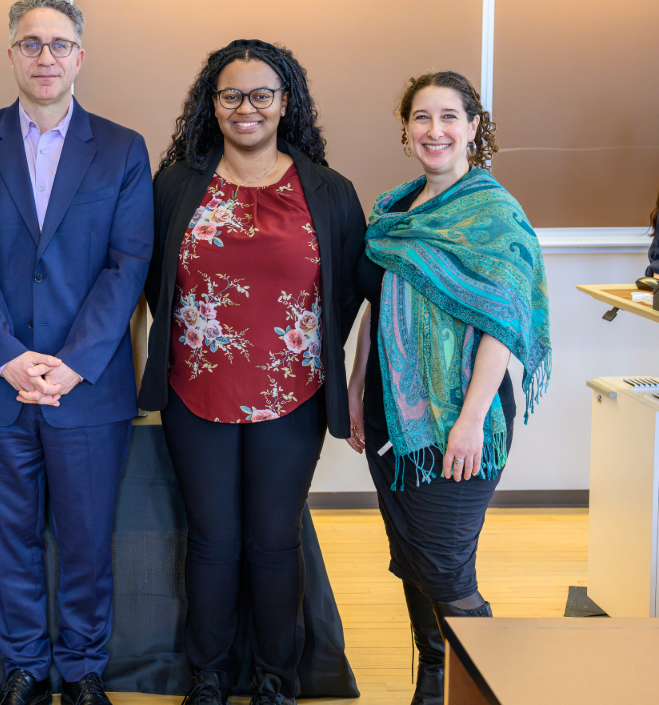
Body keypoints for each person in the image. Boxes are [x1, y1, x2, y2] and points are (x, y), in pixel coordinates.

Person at [138, 40, 366, 705]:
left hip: (293, 394)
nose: (246, 107)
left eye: (261, 94)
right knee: (212, 539)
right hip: (194, 389)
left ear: (285, 102)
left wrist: (315, 357)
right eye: (230, 95)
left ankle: (275, 679)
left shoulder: (327, 190)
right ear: (212, 105)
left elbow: (349, 292)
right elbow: (152, 282)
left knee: (273, 540)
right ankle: (206, 676)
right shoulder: (177, 184)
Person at [0, 0, 153, 705]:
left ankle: (84, 669)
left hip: (87, 385)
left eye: (59, 45)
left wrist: (72, 362)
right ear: (11, 55)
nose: (45, 57)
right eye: (31, 44)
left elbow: (128, 265)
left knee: (88, 541)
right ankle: (26, 668)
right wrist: (8, 355)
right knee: (11, 541)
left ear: (80, 57)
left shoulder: (122, 148)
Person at [345, 71, 551, 705]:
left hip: (463, 415)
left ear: (473, 126)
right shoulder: (390, 213)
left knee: (445, 564)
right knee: (412, 554)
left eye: (449, 117)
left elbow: (503, 322)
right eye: (422, 118)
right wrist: (355, 388)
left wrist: (468, 419)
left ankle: (482, 686)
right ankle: (434, 677)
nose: (435, 130)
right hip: (391, 414)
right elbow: (374, 311)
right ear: (405, 129)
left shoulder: (492, 212)